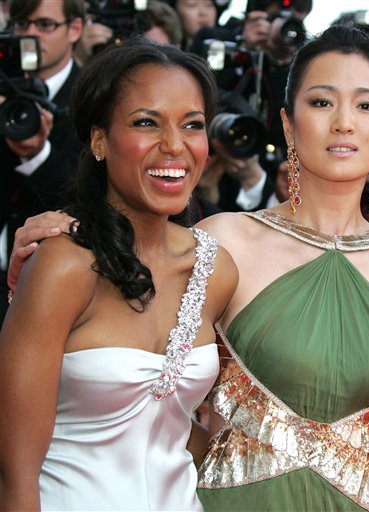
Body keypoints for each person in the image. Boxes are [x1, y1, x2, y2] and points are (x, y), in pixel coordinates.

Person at [5, 24, 369, 512]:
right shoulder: (222, 242)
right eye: (322, 102)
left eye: (366, 106)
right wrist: (56, 238)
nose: (344, 122)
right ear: (286, 122)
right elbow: (132, 381)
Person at [0, 37, 237, 511]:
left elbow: (180, 429)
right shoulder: (63, 264)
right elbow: (14, 475)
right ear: (99, 140)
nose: (174, 145)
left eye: (192, 125)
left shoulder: (217, 270)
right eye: (147, 123)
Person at [0, 0, 85, 326]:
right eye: (23, 25)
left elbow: (82, 198)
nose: (31, 36)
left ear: (74, 28)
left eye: (45, 25)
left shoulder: (91, 97)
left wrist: (35, 154)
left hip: (50, 292)